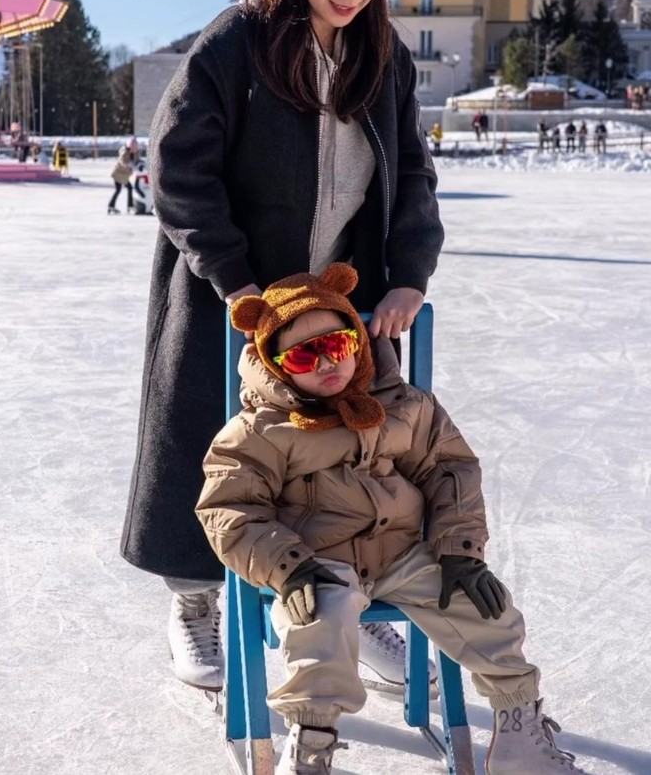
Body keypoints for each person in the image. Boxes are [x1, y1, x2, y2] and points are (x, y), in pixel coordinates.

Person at [120, 0, 444, 697]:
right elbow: (178, 168)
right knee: (216, 446)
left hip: (337, 301)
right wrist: (232, 279)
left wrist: (406, 274)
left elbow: (411, 178)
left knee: (349, 449)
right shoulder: (239, 41)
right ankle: (194, 597)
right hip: (236, 295)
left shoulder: (382, 53)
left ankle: (353, 599)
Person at [196, 264, 592, 775]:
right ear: (276, 365)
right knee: (319, 621)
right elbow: (230, 506)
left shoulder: (406, 407)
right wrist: (287, 564)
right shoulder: (260, 430)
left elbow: (451, 469)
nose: (326, 363)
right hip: (319, 560)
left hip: (404, 553)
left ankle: (518, 735)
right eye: (302, 354)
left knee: (488, 612)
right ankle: (311, 744)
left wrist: (459, 548)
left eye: (337, 345)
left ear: (358, 342)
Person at [107, 137, 139, 214]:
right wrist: (129, 164)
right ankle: (111, 206)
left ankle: (129, 206)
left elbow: (137, 159)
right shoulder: (124, 152)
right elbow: (123, 161)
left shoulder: (135, 152)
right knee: (118, 190)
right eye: (131, 149)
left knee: (129, 188)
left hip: (124, 176)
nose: (133, 151)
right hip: (118, 174)